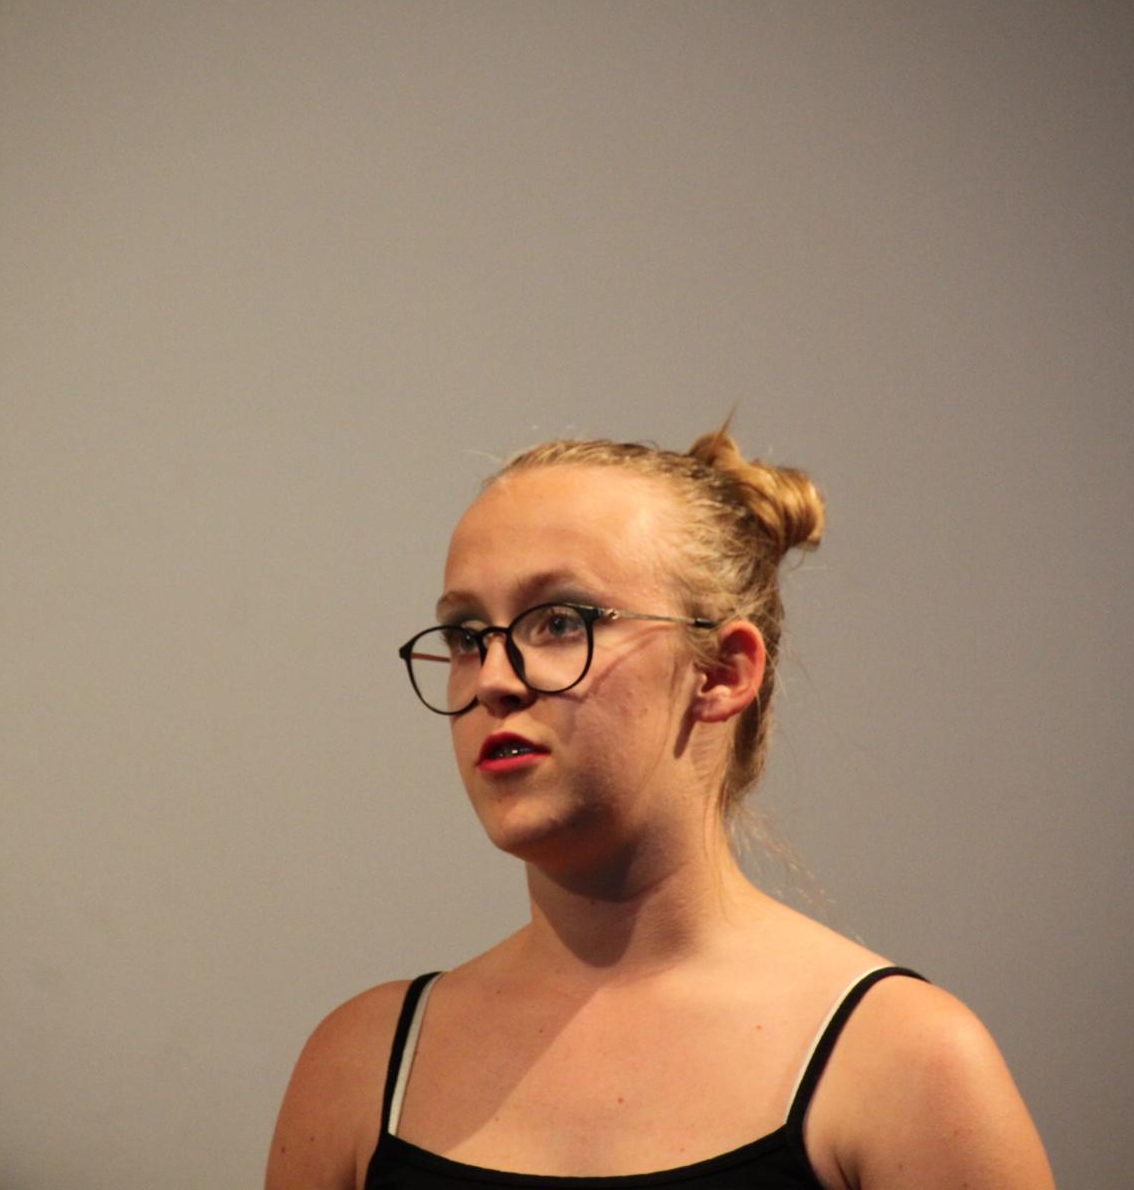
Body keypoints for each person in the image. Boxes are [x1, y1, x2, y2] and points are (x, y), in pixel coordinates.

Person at [265, 426, 1055, 1189]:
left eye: (560, 621)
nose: (494, 679)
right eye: (468, 634)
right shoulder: (361, 1071)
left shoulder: (905, 1066)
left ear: (721, 672)